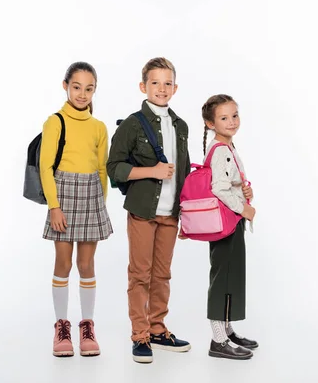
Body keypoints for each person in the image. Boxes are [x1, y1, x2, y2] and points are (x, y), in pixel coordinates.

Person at [106, 57, 192, 363]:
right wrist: (151, 171)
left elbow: (183, 171)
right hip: (143, 210)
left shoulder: (180, 125)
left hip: (171, 213)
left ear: (175, 87)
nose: (162, 88)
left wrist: (186, 215)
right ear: (143, 86)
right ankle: (140, 336)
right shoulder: (132, 124)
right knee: (140, 274)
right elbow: (113, 168)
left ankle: (158, 329)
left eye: (168, 83)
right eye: (155, 82)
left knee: (162, 274)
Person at [40, 62, 113, 357]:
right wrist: (54, 207)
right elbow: (46, 167)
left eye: (89, 88)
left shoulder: (99, 127)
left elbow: (102, 169)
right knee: (63, 264)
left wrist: (100, 205)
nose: (82, 94)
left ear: (95, 89)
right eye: (77, 87)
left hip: (91, 196)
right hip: (64, 195)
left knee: (86, 265)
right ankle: (61, 326)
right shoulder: (55, 121)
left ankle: (87, 326)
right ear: (65, 86)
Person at [200, 94, 258, 360]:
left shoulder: (227, 147)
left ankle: (227, 330)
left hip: (230, 220)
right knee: (222, 277)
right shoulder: (221, 150)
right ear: (211, 123)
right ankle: (218, 339)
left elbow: (229, 182)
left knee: (231, 275)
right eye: (224, 118)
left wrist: (244, 189)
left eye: (235, 115)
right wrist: (243, 207)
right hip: (226, 220)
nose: (232, 121)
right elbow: (218, 188)